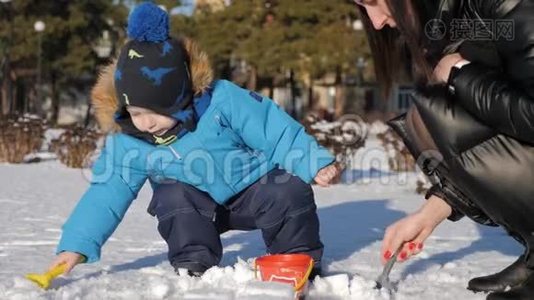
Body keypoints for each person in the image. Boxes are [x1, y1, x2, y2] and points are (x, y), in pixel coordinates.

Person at [47, 2, 339, 278]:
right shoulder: (130, 142)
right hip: (196, 209)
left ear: (180, 97)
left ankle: (297, 259)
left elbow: (274, 130)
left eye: (157, 112)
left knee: (287, 189)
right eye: (135, 112)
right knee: (171, 194)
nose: (146, 122)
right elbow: (106, 193)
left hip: (254, 189)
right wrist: (76, 244)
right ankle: (194, 260)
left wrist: (312, 162)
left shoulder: (221, 101)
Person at [355, 0, 534, 299]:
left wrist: (462, 73)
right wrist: (432, 212)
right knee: (429, 112)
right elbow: (483, 138)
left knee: (441, 101)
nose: (374, 22)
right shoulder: (444, 22)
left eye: (373, 2)